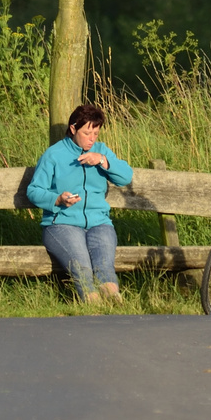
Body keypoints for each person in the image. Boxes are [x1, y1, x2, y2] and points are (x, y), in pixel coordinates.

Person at [27, 104, 133, 302]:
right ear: (73, 129)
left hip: (99, 223)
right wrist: (56, 199)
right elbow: (33, 191)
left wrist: (102, 160)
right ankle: (91, 303)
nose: (92, 138)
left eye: (96, 133)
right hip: (62, 224)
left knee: (104, 265)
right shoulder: (53, 155)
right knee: (82, 265)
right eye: (87, 133)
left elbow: (126, 177)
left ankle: (115, 304)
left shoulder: (101, 151)